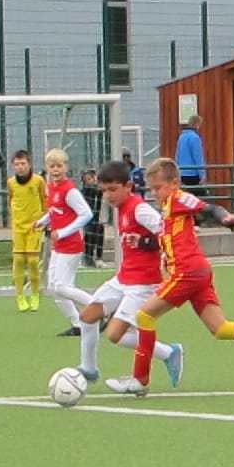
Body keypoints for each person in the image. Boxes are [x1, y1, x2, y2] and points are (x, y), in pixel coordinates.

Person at [105, 158, 234, 396]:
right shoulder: (168, 207)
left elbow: (209, 208)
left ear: (174, 183)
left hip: (187, 272)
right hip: (197, 273)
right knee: (221, 328)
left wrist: (225, 217)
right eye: (151, 189)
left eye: (158, 187)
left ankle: (140, 379)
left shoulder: (179, 198)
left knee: (144, 316)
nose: (154, 193)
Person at [76, 159, 185, 390]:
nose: (108, 195)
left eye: (113, 189)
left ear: (128, 186)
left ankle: (168, 352)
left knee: (115, 335)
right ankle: (88, 369)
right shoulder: (121, 208)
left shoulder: (139, 209)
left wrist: (146, 242)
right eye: (104, 191)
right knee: (87, 316)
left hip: (143, 283)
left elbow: (168, 231)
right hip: (123, 278)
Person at [34, 147, 93, 335]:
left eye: (59, 166)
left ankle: (100, 307)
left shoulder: (70, 190)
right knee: (55, 288)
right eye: (52, 166)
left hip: (72, 245)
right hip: (58, 245)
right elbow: (56, 211)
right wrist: (43, 221)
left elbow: (86, 214)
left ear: (66, 167)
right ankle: (77, 324)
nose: (56, 170)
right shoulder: (51, 187)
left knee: (62, 287)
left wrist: (64, 232)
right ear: (47, 167)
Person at [6, 149, 46, 309]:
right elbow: (10, 200)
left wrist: (44, 220)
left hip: (34, 227)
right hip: (18, 227)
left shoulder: (38, 181)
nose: (20, 167)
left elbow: (44, 200)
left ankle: (35, 295)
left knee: (33, 261)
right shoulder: (11, 182)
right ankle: (20, 296)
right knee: (18, 260)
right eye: (16, 164)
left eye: (23, 163)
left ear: (29, 164)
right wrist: (15, 218)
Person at [80, 167, 106, 267]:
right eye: (89, 178)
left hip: (98, 218)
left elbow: (100, 191)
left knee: (99, 234)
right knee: (89, 237)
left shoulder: (98, 189)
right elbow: (95, 190)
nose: (92, 180)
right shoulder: (85, 190)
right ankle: (88, 258)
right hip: (88, 219)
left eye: (92, 177)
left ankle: (99, 258)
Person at [174, 114, 207, 192]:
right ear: (197, 125)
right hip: (193, 173)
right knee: (199, 195)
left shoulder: (181, 137)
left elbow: (177, 155)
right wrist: (202, 174)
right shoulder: (195, 138)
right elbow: (198, 157)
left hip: (182, 172)